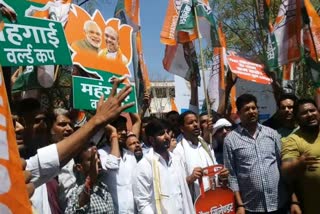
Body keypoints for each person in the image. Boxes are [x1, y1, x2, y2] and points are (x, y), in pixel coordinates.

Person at [26, 78, 133, 191]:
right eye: (62, 125)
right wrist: (97, 120)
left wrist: (101, 122)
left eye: (70, 125)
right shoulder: (39, 160)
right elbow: (42, 164)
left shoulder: (80, 151)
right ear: (50, 129)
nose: (68, 128)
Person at [223, 94, 288, 213]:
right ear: (239, 113)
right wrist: (240, 205)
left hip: (278, 203)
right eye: (246, 109)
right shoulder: (231, 139)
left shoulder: (272, 134)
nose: (251, 111)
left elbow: (282, 165)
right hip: (251, 206)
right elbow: (231, 175)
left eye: (253, 108)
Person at [133, 118, 195, 213]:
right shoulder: (144, 165)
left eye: (167, 132)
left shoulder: (176, 159)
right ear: (151, 139)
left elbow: (184, 194)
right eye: (161, 134)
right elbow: (143, 203)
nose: (167, 137)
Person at [173, 111, 229, 201]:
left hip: (214, 200)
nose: (195, 125)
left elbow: (216, 172)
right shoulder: (178, 151)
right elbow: (175, 185)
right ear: (182, 128)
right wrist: (191, 178)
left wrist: (222, 175)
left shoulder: (206, 146)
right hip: (195, 203)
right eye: (190, 123)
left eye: (196, 121)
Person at [281, 98, 320, 214]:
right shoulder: (292, 140)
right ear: (297, 119)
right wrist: (298, 163)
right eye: (304, 113)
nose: (309, 114)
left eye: (312, 110)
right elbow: (285, 170)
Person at [98, 113, 141, 213]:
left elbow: (137, 121)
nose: (123, 132)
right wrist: (113, 133)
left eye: (124, 129)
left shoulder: (130, 155)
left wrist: (131, 105)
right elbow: (113, 164)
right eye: (118, 129)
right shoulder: (101, 154)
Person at [65, 144, 114, 213]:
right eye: (92, 159)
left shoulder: (104, 188)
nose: (98, 161)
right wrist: (90, 180)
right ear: (79, 167)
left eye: (98, 157)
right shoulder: (76, 193)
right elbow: (80, 203)